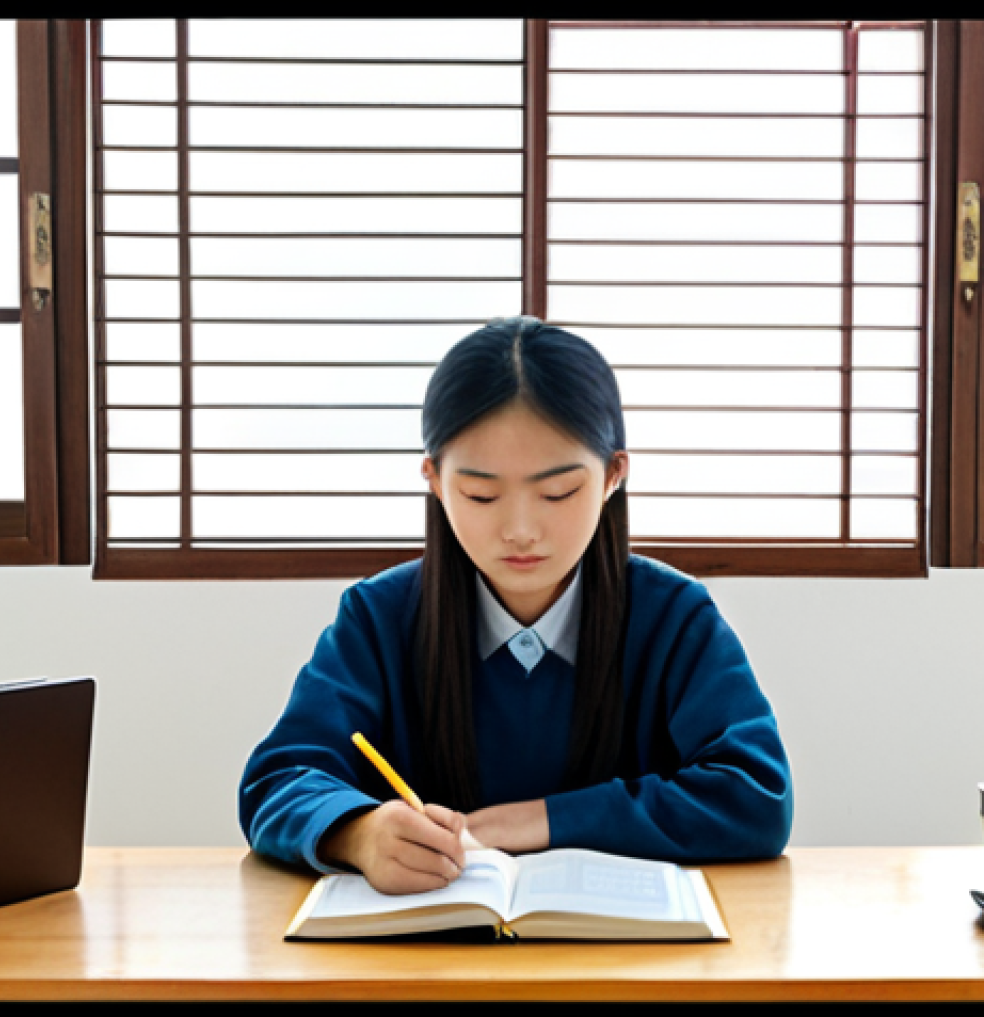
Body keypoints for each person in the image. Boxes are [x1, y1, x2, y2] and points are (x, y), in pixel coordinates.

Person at [238, 316, 793, 894]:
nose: (520, 530)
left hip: (628, 968)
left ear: (612, 476)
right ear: (433, 479)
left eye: (558, 492)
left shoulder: (674, 617)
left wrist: (538, 820)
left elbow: (755, 795)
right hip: (419, 968)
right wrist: (356, 833)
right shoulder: (379, 618)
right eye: (481, 494)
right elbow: (278, 780)